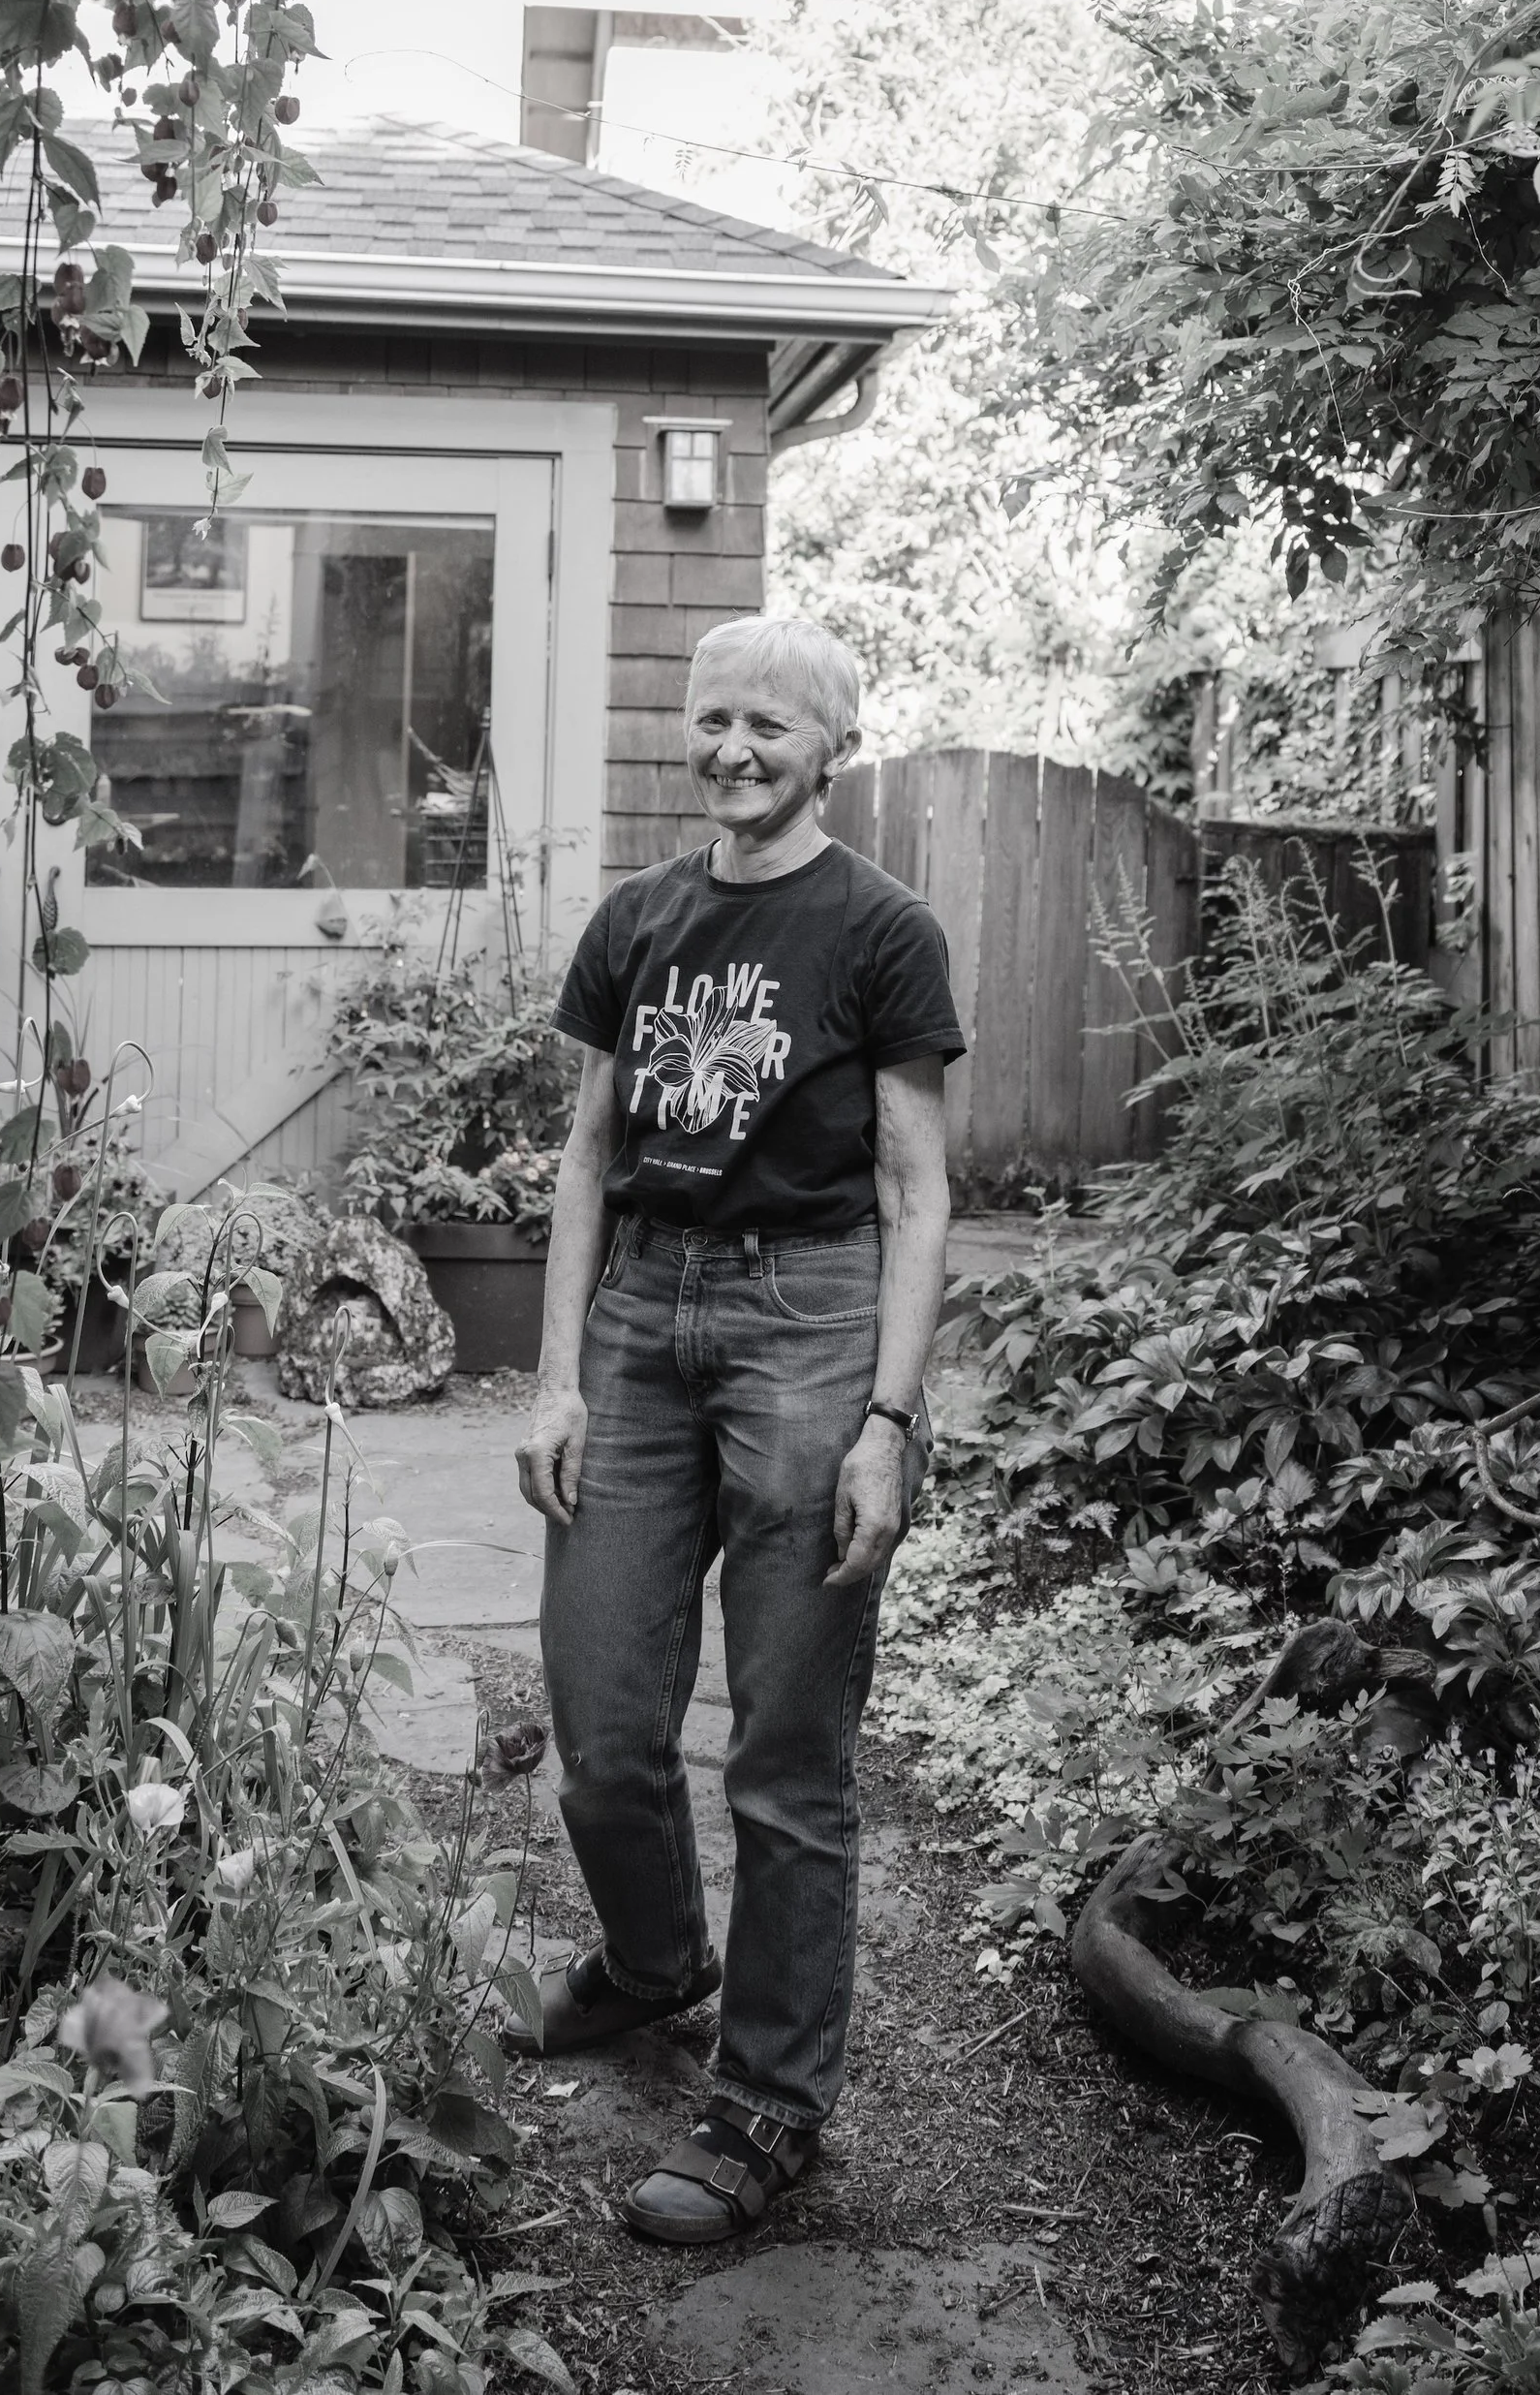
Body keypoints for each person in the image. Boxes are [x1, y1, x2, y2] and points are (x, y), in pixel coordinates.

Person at [512, 609, 962, 2242]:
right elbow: (583, 1156)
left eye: (768, 727)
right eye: (712, 723)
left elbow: (917, 1192)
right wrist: (556, 1372)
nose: (731, 753)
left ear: (830, 746)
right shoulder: (639, 919)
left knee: (783, 1752)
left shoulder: (883, 930)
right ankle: (650, 1964)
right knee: (606, 1725)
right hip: (640, 1316)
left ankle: (768, 2106)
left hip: (813, 1320)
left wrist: (889, 1421)